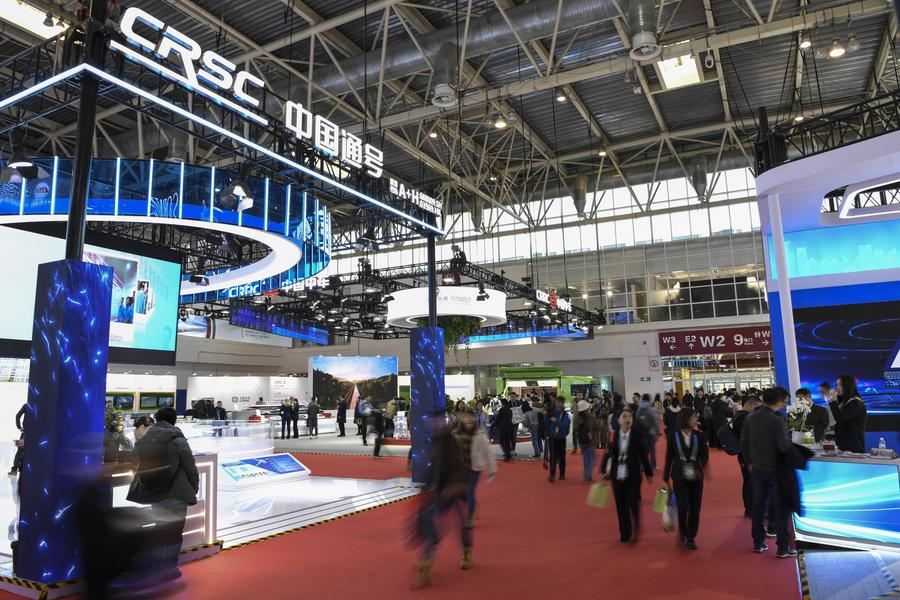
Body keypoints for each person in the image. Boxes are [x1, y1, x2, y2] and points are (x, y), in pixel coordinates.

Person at [127, 407, 200, 580]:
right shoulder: (178, 440)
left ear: (157, 419)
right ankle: (169, 569)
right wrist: (194, 488)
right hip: (177, 494)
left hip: (154, 492)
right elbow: (191, 468)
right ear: (174, 420)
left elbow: (136, 465)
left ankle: (156, 568)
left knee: (160, 530)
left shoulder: (144, 440)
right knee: (174, 532)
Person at [413, 419, 472, 586]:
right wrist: (425, 486)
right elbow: (432, 467)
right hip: (440, 490)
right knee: (432, 522)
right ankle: (427, 561)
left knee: (460, 521)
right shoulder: (436, 441)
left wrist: (454, 486)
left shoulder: (452, 441)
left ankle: (466, 550)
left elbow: (460, 465)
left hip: (454, 488)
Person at [740, 387, 796, 557]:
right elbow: (783, 447)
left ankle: (758, 542)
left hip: (757, 468)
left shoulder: (750, 418)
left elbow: (744, 442)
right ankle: (782, 547)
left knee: (759, 506)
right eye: (785, 400)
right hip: (776, 469)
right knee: (781, 507)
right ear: (780, 400)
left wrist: (749, 462)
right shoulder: (777, 420)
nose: (786, 402)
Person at [603, 409, 653, 543]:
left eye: (630, 416)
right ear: (618, 420)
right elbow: (609, 454)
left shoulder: (636, 435)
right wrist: (605, 469)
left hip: (633, 474)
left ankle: (636, 521)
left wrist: (648, 473)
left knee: (633, 503)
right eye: (624, 416)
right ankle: (625, 532)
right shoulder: (613, 435)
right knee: (621, 505)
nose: (627, 419)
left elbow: (643, 454)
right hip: (617, 474)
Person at [663, 407, 709, 550]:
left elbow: (704, 455)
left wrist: (700, 468)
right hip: (679, 475)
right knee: (683, 506)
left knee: (695, 507)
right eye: (693, 417)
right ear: (686, 419)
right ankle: (683, 530)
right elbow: (669, 457)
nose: (695, 419)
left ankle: (691, 537)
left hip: (696, 476)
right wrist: (665, 477)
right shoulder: (673, 435)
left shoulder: (699, 436)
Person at [457, 411, 496, 527]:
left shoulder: (480, 436)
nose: (468, 421)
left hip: (475, 468)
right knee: (460, 493)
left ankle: (469, 517)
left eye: (471, 419)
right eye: (466, 418)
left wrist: (491, 470)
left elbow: (488, 453)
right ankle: (472, 504)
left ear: (474, 420)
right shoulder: (457, 435)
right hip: (461, 469)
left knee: (469, 491)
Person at [732, 394, 760, 517]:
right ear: (752, 404)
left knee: (748, 481)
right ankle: (751, 509)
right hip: (747, 454)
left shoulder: (739, 416)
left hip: (743, 453)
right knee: (751, 481)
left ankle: (750, 508)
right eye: (756, 407)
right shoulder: (745, 418)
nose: (757, 410)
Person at [829, 375, 867, 453]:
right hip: (843, 445)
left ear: (848, 386)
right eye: (836, 385)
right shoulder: (844, 402)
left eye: (840, 385)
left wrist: (833, 401)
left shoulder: (855, 402)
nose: (837, 388)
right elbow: (845, 422)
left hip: (853, 447)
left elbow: (840, 418)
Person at [575, 400, 602, 483]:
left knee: (586, 460)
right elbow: (598, 426)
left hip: (582, 442)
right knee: (593, 459)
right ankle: (587, 475)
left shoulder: (577, 418)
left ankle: (588, 477)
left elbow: (575, 428)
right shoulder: (591, 417)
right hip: (591, 441)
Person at [546, 396, 570, 482]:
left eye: (560, 402)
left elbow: (565, 425)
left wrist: (556, 421)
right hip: (552, 437)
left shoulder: (565, 414)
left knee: (562, 457)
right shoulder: (550, 412)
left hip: (561, 437)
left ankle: (562, 474)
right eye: (557, 401)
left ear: (563, 403)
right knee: (552, 456)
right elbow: (546, 423)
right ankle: (552, 474)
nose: (558, 403)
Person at [635, 393, 661, 470]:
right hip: (651, 433)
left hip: (641, 433)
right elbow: (655, 422)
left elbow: (637, 421)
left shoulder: (639, 409)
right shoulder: (651, 409)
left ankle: (642, 465)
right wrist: (657, 433)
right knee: (652, 450)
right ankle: (653, 465)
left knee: (642, 450)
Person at [9, 402, 26, 476]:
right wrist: (19, 427)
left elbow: (18, 415)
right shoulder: (27, 406)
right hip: (31, 432)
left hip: (26, 431)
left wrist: (19, 427)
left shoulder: (27, 406)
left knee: (21, 449)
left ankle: (15, 469)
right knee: (21, 449)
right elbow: (17, 415)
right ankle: (15, 469)